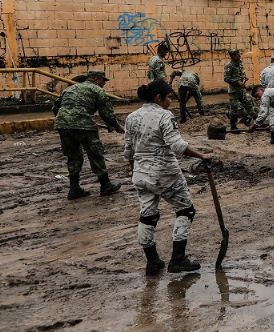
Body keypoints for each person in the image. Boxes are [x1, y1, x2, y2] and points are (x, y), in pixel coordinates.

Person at [125, 80, 213, 275]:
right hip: (164, 172)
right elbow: (177, 146)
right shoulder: (165, 116)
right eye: (169, 97)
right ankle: (178, 259)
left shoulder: (131, 117)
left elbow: (128, 150)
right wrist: (202, 155)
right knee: (185, 210)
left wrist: (135, 171)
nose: (171, 101)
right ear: (158, 98)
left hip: (141, 173)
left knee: (148, 216)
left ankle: (153, 262)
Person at [53, 70, 124, 200]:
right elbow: (106, 114)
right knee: (95, 153)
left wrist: (66, 120)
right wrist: (117, 127)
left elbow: (55, 108)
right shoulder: (97, 90)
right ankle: (105, 185)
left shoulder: (71, 88)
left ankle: (74, 189)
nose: (104, 84)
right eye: (103, 81)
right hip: (83, 124)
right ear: (97, 79)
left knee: (73, 156)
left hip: (62, 124)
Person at [224, 48, 255, 130]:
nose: (239, 55)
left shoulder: (240, 63)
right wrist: (237, 81)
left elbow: (242, 72)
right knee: (237, 109)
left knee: (249, 106)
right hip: (234, 92)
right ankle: (233, 126)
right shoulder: (229, 66)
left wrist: (244, 77)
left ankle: (253, 122)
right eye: (237, 54)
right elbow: (226, 79)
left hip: (242, 90)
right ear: (233, 56)